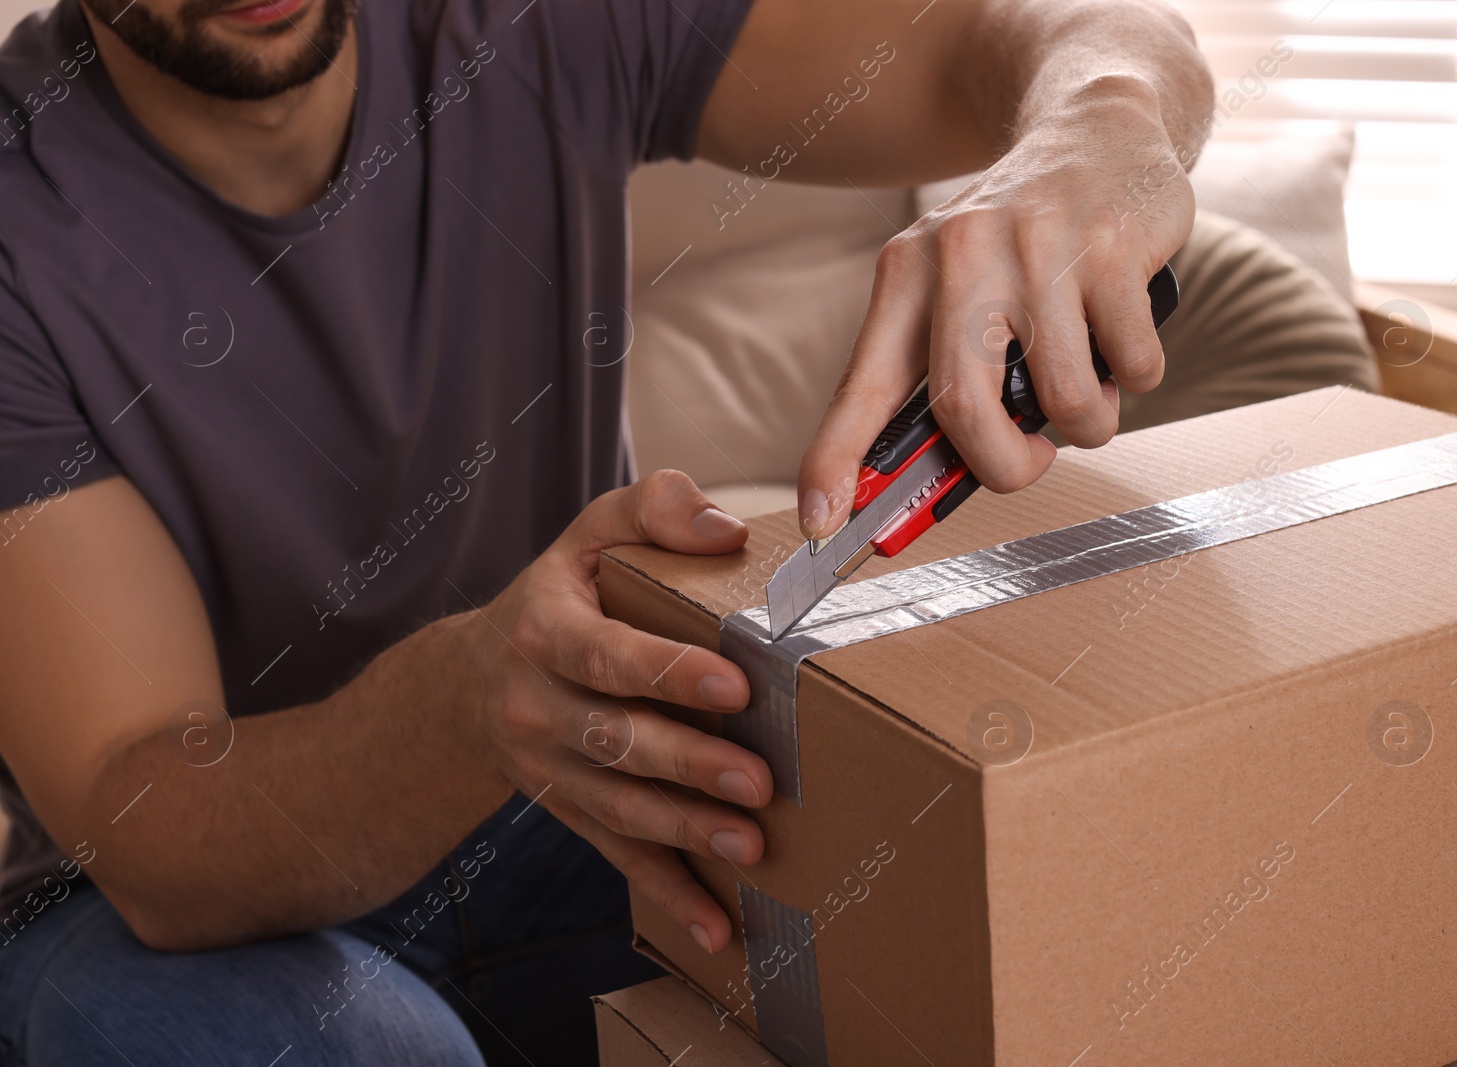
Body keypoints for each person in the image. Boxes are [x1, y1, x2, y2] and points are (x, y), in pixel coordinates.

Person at [0, 0, 1212, 1059]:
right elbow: (147, 833)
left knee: (935, 939)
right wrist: (474, 697)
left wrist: (1098, 119)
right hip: (140, 921)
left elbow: (1058, 31)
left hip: (581, 804)